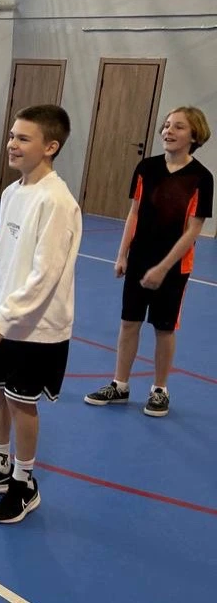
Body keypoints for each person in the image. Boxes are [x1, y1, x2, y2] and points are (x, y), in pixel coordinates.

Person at [0, 105, 80, 524]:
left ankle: (25, 483)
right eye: (11, 136)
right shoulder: (12, 193)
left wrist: (4, 319)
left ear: (50, 147)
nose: (12, 144)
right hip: (5, 317)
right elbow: (2, 258)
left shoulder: (56, 201)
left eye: (23, 138)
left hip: (38, 327)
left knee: (21, 402)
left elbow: (46, 275)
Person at [84, 106, 212, 417]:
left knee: (163, 328)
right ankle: (120, 385)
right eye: (166, 125)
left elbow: (193, 230)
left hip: (174, 266)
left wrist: (163, 268)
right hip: (140, 259)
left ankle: (159, 390)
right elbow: (134, 212)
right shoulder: (146, 168)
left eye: (178, 127)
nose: (169, 131)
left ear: (194, 135)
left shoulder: (202, 178)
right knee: (129, 322)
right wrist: (122, 254)